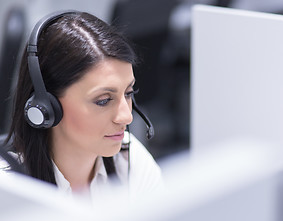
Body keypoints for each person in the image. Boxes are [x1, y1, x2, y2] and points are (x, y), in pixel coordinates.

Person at [0, 10, 163, 198]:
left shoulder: (131, 160)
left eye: (128, 93)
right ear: (46, 107)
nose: (127, 116)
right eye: (103, 100)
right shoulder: (9, 190)